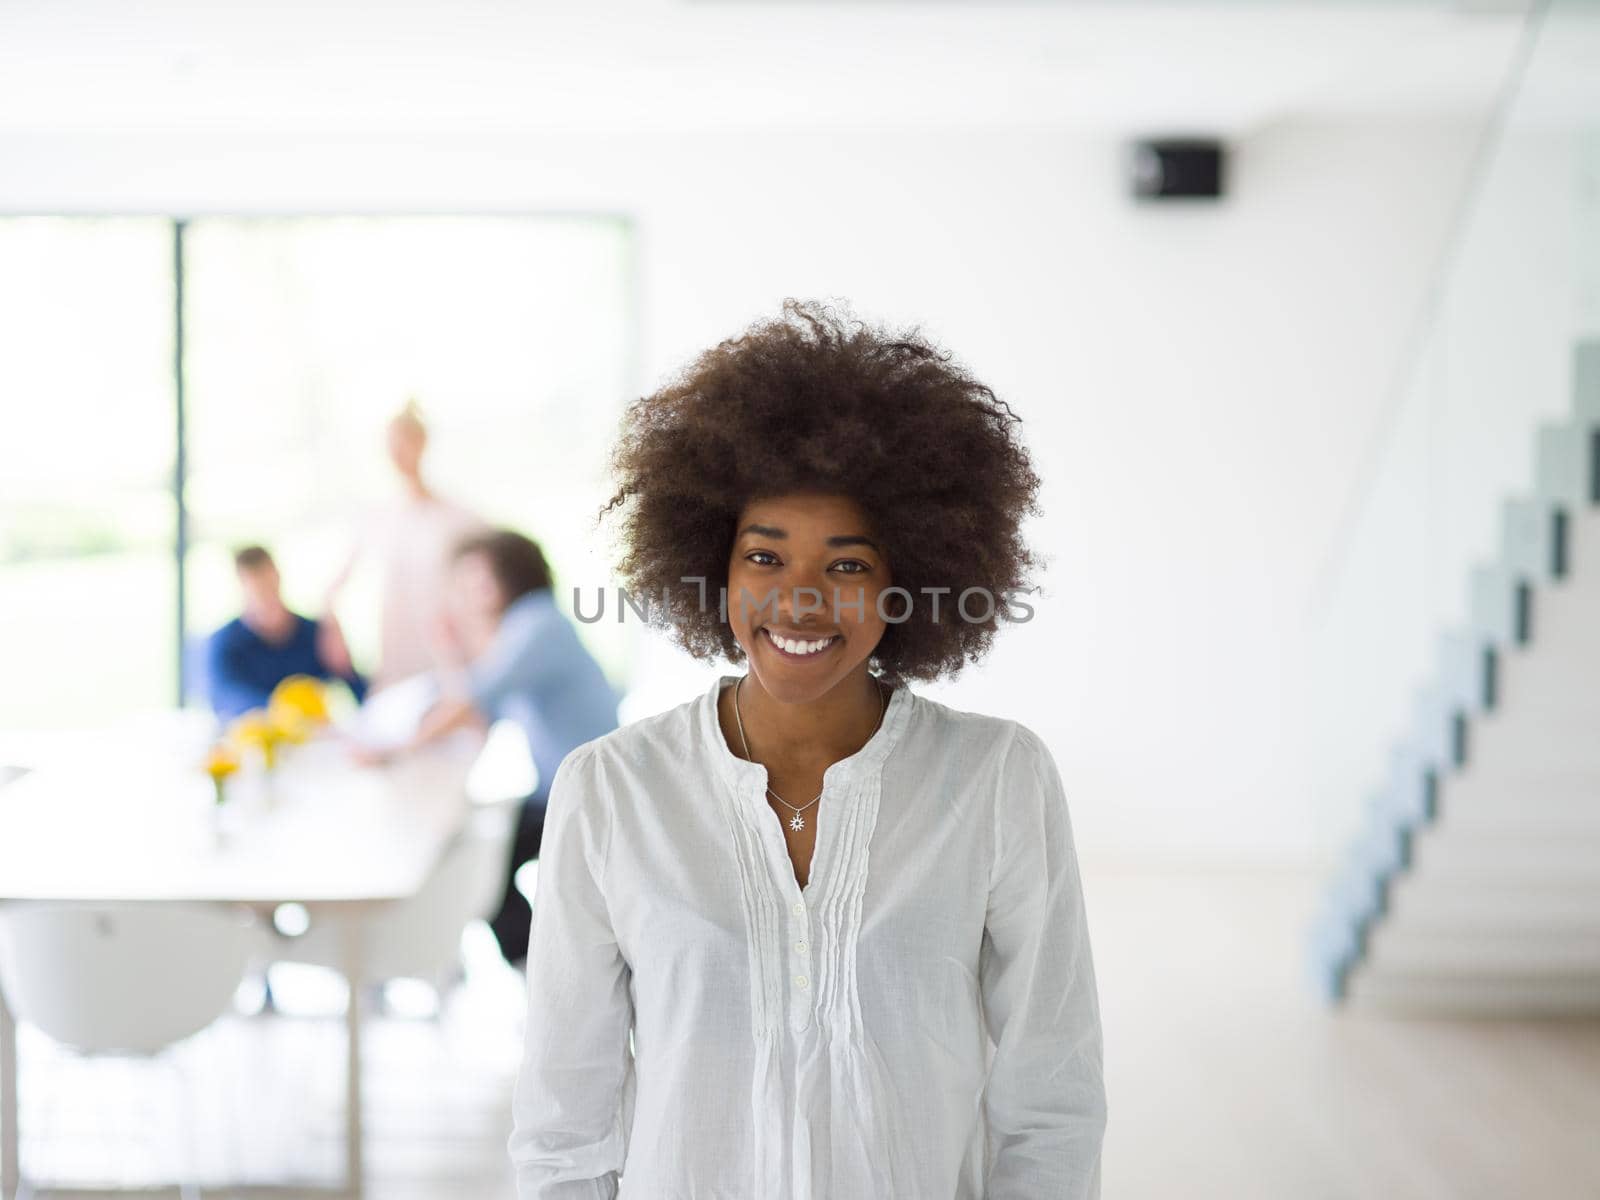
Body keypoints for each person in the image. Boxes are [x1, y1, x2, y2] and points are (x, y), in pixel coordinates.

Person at [508, 300, 1107, 1197]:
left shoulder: (997, 781)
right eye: (765, 556)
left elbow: (1049, 1100)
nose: (800, 599)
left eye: (848, 564)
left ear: (911, 584)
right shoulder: (611, 791)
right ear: (714, 570)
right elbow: (563, 1121)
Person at [365, 528, 619, 967]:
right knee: (482, 860)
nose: (467, 594)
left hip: (592, 795)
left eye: (477, 580)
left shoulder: (537, 624)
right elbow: (479, 717)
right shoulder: (527, 628)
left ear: (511, 575)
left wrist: (393, 751)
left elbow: (469, 702)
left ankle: (540, 972)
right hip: (563, 791)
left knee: (484, 868)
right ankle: (537, 969)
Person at [324, 399, 488, 693]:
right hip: (396, 658)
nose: (397, 453)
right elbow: (334, 586)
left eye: (404, 442)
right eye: (391, 444)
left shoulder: (458, 517)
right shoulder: (376, 516)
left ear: (422, 444)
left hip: (448, 656)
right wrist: (333, 629)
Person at [205, 545, 367, 720]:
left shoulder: (313, 634)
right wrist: (284, 711)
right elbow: (224, 700)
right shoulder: (226, 643)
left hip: (314, 741)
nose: (265, 597)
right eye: (257, 589)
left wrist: (344, 663)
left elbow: (361, 694)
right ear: (241, 586)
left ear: (278, 576)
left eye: (268, 585)